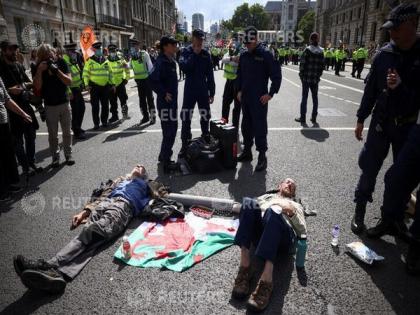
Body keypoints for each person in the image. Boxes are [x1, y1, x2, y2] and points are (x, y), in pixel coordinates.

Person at [13, 165, 168, 294]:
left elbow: (164, 195)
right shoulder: (121, 180)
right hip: (105, 204)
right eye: (137, 165)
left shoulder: (149, 184)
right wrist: (84, 212)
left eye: (142, 167)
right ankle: (56, 276)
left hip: (123, 207)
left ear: (144, 175)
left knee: (91, 233)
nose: (138, 167)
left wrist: (153, 194)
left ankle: (48, 265)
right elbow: (101, 195)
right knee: (89, 241)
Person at [351, 3, 420, 235]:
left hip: (408, 126)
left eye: (396, 28)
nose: (391, 33)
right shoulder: (384, 54)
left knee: (401, 177)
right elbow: (370, 90)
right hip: (381, 122)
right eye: (389, 29)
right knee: (369, 168)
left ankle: (393, 218)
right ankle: (359, 209)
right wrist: (361, 119)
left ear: (412, 25)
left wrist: (400, 88)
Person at [232, 178, 306, 312]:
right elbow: (245, 211)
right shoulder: (266, 197)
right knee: (249, 202)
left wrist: (291, 213)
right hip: (262, 232)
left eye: (293, 186)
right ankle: (245, 267)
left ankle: (266, 281)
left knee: (274, 212)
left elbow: (302, 231)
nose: (290, 185)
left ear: (293, 193)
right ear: (279, 186)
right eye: (288, 182)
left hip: (282, 238)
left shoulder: (295, 205)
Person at [236, 26, 282, 172]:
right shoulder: (244, 55)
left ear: (256, 39)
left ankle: (262, 156)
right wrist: (238, 90)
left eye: (249, 43)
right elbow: (239, 75)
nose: (247, 46)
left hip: (259, 98)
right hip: (246, 98)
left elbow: (276, 75)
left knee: (260, 127)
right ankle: (247, 152)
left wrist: (270, 94)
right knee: (246, 126)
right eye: (246, 43)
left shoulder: (266, 54)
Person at [0, 40, 42, 176]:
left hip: (24, 104)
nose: (15, 52)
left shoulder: (18, 65)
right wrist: (8, 90)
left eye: (16, 49)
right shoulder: (0, 67)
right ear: (4, 51)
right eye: (11, 50)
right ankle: (25, 167)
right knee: (17, 141)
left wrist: (21, 87)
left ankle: (31, 162)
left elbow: (29, 82)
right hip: (10, 109)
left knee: (31, 135)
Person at [33, 44, 74, 167]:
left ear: (54, 52)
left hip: (64, 103)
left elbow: (69, 81)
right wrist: (40, 70)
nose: (49, 57)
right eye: (45, 55)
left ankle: (68, 154)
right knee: (53, 135)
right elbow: (37, 86)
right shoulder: (38, 66)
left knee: (67, 132)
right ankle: (55, 157)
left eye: (50, 53)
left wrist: (57, 71)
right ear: (41, 57)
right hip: (50, 106)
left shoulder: (61, 62)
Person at [178, 29, 215, 156]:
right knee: (186, 116)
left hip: (203, 89)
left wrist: (212, 92)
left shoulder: (206, 54)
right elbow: (185, 68)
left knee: (205, 115)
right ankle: (185, 143)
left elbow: (210, 75)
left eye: (202, 39)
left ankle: (205, 136)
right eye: (198, 38)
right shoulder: (185, 51)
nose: (200, 41)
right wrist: (194, 54)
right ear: (192, 38)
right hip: (190, 90)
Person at [149, 35, 180, 174]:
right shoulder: (161, 62)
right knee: (170, 131)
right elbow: (152, 80)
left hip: (171, 103)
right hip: (165, 103)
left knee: (170, 130)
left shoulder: (170, 61)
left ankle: (163, 156)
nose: (176, 47)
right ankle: (166, 162)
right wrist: (163, 93)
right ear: (166, 46)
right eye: (173, 45)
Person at [0, 77, 32, 200]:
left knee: (6, 155)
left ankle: (7, 185)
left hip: (3, 122)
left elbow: (7, 99)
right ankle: (2, 190)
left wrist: (23, 113)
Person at [82, 41, 115, 130]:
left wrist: (113, 84)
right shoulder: (90, 61)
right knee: (95, 106)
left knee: (105, 105)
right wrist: (86, 85)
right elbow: (85, 74)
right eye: (97, 49)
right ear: (94, 50)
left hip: (105, 87)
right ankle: (96, 123)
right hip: (94, 87)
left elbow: (110, 73)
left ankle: (104, 121)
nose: (99, 50)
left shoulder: (106, 60)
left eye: (100, 48)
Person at [295, 32, 324, 125]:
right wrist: (318, 76)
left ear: (311, 40)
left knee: (304, 98)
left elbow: (302, 64)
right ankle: (314, 117)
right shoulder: (321, 51)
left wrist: (301, 76)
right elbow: (322, 66)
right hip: (315, 79)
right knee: (315, 98)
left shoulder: (307, 50)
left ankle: (302, 118)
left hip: (306, 78)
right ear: (318, 40)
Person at [130, 38, 156, 125]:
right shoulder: (132, 56)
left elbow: (150, 67)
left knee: (150, 99)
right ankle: (145, 117)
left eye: (135, 45)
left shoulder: (144, 54)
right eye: (132, 46)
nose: (133, 47)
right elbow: (130, 67)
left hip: (147, 80)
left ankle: (152, 117)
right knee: (142, 100)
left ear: (138, 46)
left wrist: (152, 80)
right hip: (139, 81)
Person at [63, 42, 86, 140]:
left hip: (77, 88)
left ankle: (77, 127)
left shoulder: (73, 59)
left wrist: (82, 84)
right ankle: (77, 131)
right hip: (71, 89)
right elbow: (64, 79)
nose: (74, 52)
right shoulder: (64, 60)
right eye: (72, 51)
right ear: (67, 51)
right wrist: (68, 91)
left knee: (82, 108)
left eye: (74, 51)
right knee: (76, 110)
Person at [220, 40, 241, 128]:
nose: (231, 47)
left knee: (237, 106)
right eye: (231, 46)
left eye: (233, 46)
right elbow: (223, 60)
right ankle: (224, 123)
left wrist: (230, 60)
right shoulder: (228, 53)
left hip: (237, 82)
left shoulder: (241, 53)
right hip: (228, 81)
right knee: (225, 102)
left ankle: (235, 127)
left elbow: (238, 63)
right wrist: (232, 59)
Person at [107, 43, 129, 122]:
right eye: (110, 51)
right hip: (111, 84)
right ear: (108, 51)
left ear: (116, 51)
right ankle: (114, 116)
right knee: (112, 102)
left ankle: (125, 114)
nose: (112, 52)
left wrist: (126, 78)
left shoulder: (121, 59)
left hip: (120, 83)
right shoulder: (106, 60)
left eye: (113, 51)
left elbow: (127, 68)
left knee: (123, 100)